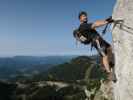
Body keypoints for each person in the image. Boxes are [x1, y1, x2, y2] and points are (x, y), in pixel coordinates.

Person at [73, 11, 114, 79]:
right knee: (104, 55)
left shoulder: (86, 25)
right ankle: (109, 73)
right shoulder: (83, 26)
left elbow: (96, 24)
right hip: (97, 41)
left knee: (109, 48)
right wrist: (107, 21)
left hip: (100, 40)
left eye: (85, 16)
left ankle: (109, 63)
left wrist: (105, 20)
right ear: (80, 19)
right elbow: (95, 24)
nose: (85, 17)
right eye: (83, 16)